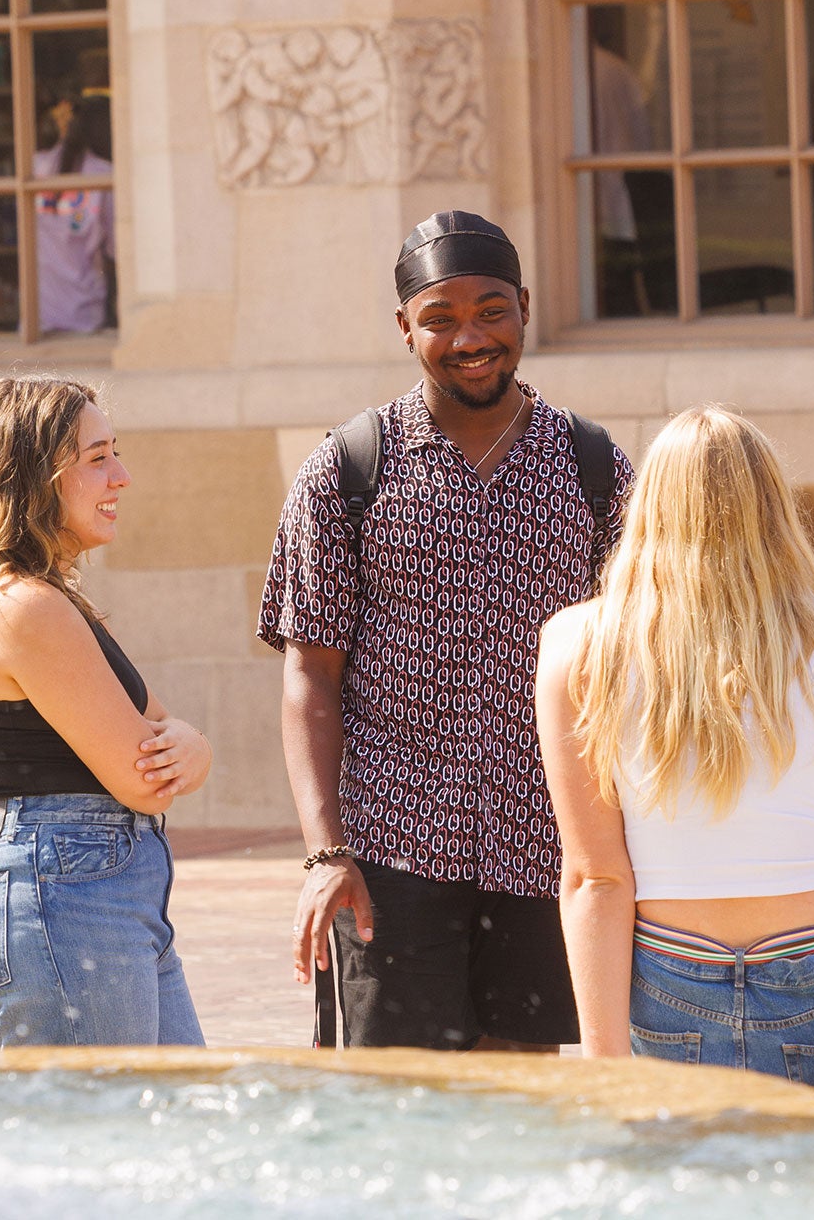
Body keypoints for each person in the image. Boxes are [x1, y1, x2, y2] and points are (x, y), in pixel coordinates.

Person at [258, 211, 633, 1052]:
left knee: (525, 1097)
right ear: (405, 328)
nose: (470, 337)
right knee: (400, 1118)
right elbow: (308, 674)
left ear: (525, 309)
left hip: (549, 850)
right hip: (392, 861)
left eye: (491, 311)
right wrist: (325, 856)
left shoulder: (595, 467)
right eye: (441, 318)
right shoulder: (349, 469)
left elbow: (642, 660)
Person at [533, 405, 814, 1097]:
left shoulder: (576, 647)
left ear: (646, 505)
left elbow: (597, 880)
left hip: (666, 1008)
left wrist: (605, 1067)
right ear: (776, 509)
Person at [0, 375, 212, 1046]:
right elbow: (147, 775)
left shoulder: (44, 599)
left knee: (161, 1135)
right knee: (107, 1142)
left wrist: (191, 746)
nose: (121, 476)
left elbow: (166, 736)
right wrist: (186, 750)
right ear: (31, 477)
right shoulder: (23, 607)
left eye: (114, 453)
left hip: (94, 899)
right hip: (67, 902)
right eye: (97, 459)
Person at [34, 93, 115, 334]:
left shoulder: (35, 167)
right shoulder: (104, 175)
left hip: (38, 313)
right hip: (86, 314)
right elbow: (117, 248)